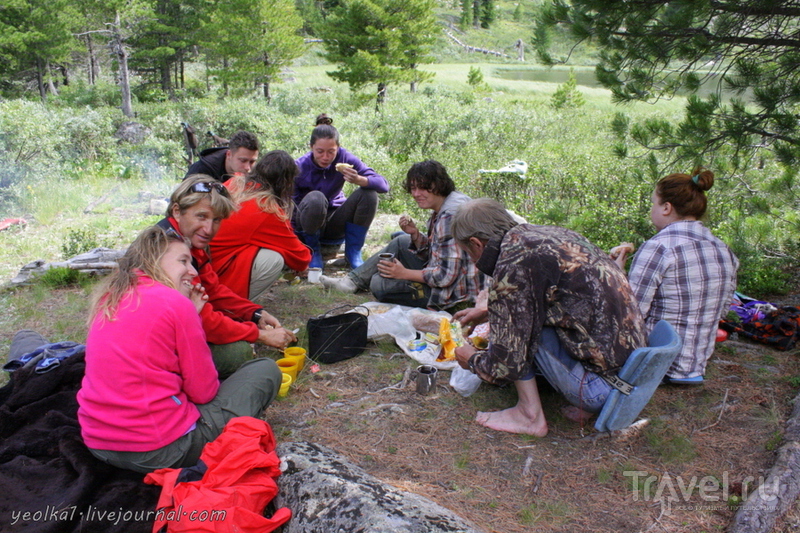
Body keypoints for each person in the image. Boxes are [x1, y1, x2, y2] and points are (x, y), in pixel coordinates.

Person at [77, 226, 283, 473]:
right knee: (265, 370)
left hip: (98, 443)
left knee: (227, 358)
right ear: (154, 261)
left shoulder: (110, 297)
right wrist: (190, 314)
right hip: (158, 451)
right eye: (183, 261)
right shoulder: (174, 303)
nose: (192, 271)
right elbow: (203, 393)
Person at [451, 198, 647, 436]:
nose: (472, 260)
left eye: (468, 252)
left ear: (476, 243)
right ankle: (576, 396)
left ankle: (529, 416)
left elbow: (504, 366)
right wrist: (488, 310)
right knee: (519, 317)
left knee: (515, 329)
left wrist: (470, 358)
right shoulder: (546, 235)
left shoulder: (512, 262)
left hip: (601, 389)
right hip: (633, 373)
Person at [158, 175, 296, 380]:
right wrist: (260, 335)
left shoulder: (187, 241)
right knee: (237, 354)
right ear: (177, 211)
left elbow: (214, 290)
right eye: (201, 216)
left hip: (172, 329)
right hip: (153, 345)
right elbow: (207, 322)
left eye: (216, 220)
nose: (208, 229)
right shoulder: (168, 252)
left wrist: (255, 313)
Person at [610, 167, 738, 385]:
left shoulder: (658, 247)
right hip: (695, 365)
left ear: (667, 208)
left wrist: (616, 275)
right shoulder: (723, 249)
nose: (652, 209)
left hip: (657, 363)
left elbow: (632, 311)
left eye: (654, 203)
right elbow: (724, 308)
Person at [320, 160, 484, 312]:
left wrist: (404, 273)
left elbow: (445, 277)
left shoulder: (450, 216)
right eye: (413, 188)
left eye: (424, 187)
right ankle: (351, 282)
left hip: (454, 294)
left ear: (440, 184)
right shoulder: (450, 201)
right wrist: (415, 235)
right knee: (402, 241)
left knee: (379, 283)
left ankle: (357, 282)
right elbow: (440, 252)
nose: (416, 194)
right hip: (452, 278)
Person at [210, 150, 311, 300]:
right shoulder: (266, 207)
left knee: (259, 245)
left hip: (204, 263)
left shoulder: (234, 182)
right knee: (273, 259)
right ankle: (232, 305)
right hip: (215, 272)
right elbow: (301, 258)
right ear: (286, 182)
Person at [294, 113, 389, 270]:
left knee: (369, 193)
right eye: (320, 151)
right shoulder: (299, 166)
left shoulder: (344, 158)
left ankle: (353, 253)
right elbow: (290, 206)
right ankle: (313, 251)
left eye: (331, 151)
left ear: (338, 148)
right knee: (316, 198)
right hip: (307, 223)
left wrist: (360, 180)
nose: (325, 157)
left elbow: (383, 185)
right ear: (311, 148)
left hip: (334, 223)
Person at [184, 130, 259, 182]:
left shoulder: (256, 174)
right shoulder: (202, 169)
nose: (247, 168)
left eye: (252, 162)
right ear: (229, 155)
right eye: (243, 161)